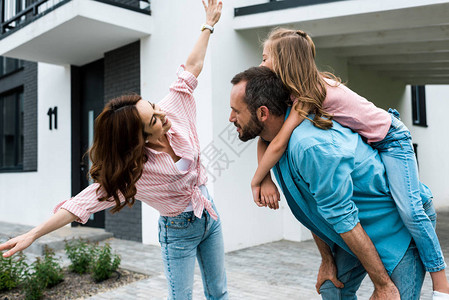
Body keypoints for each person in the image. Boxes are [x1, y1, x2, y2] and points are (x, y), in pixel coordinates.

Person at [0, 1, 227, 299]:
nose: (164, 116)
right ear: (139, 139)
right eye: (154, 121)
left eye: (155, 108)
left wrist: (208, 24)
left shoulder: (173, 106)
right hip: (178, 232)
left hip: (208, 212)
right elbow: (79, 204)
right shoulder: (133, 172)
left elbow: (192, 68)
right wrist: (32, 234)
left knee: (219, 293)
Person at [250, 28, 449, 300]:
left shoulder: (308, 95)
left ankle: (442, 284)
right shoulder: (294, 95)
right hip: (376, 141)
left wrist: (257, 179)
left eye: (265, 58)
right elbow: (267, 137)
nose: (261, 65)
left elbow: (279, 141)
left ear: (284, 61)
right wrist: (267, 178)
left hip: (392, 137)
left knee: (411, 209)